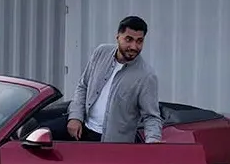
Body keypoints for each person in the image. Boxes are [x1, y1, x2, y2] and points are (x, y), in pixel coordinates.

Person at [67, 15, 163, 143]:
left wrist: (153, 140)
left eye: (139, 41)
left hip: (114, 146)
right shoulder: (101, 52)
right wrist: (75, 117)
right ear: (118, 37)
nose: (134, 46)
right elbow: (83, 86)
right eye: (129, 39)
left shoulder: (146, 76)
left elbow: (151, 117)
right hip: (84, 133)